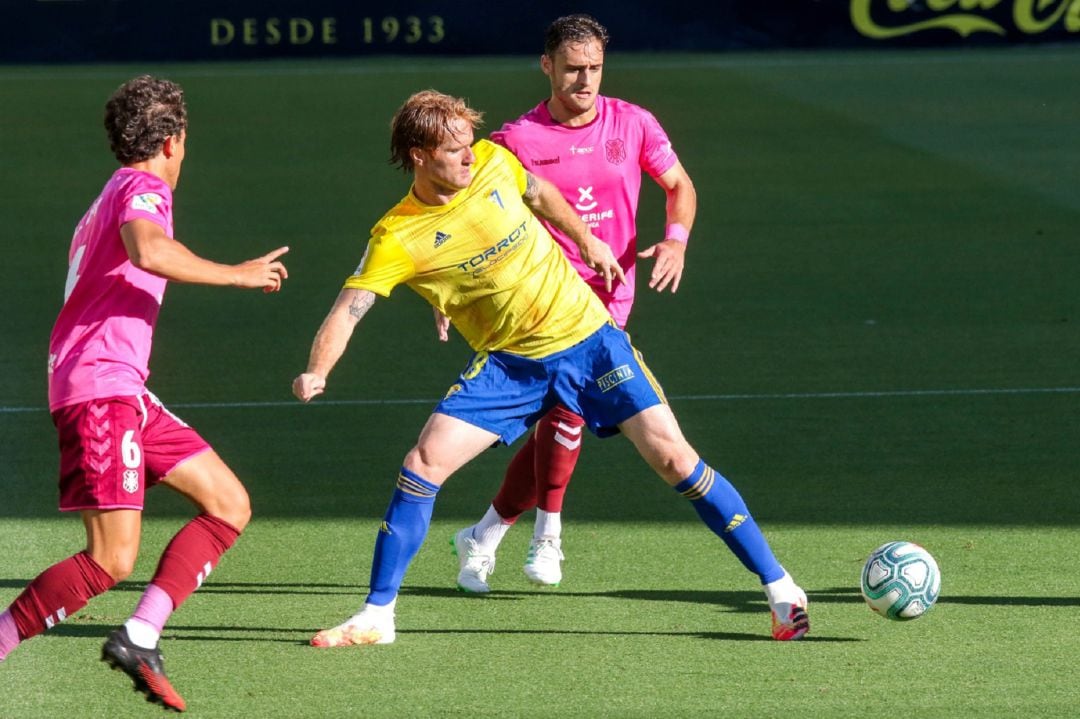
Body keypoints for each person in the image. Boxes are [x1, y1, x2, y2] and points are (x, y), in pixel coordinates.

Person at [292, 89, 808, 646]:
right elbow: (349, 308)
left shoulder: (494, 162)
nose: (469, 156)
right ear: (418, 155)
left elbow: (540, 193)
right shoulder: (398, 235)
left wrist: (587, 239)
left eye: (470, 144)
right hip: (510, 367)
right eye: (454, 149)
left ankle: (782, 590)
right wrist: (317, 370)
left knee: (675, 459)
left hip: (590, 342)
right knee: (423, 463)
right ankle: (377, 615)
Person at [0, 75, 289, 712]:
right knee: (110, 559)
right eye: (184, 141)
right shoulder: (142, 188)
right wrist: (238, 275)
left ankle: (139, 634)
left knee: (227, 503)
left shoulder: (112, 190)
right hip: (99, 390)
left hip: (123, 390)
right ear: (171, 140)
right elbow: (149, 249)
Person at [450, 13, 698, 592]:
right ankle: (546, 534)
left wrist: (676, 241)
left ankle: (487, 533)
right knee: (566, 413)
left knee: (559, 419)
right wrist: (452, 292)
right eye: (572, 70)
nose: (585, 81)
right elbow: (467, 213)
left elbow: (679, 184)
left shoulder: (632, 123)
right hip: (540, 299)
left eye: (594, 69)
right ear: (546, 66)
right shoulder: (516, 140)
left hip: (613, 295)